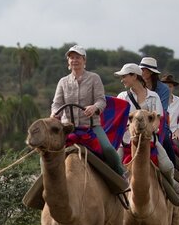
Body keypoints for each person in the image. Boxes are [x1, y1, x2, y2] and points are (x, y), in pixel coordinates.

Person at [51, 45, 125, 175]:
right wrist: (54, 113)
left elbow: (101, 100)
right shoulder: (63, 82)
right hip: (67, 128)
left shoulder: (94, 78)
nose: (74, 60)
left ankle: (121, 178)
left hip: (91, 126)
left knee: (109, 150)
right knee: (48, 152)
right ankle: (46, 184)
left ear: (84, 60)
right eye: (71, 57)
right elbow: (56, 104)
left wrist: (94, 107)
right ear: (68, 61)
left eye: (78, 57)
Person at [115, 63, 178, 190]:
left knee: (167, 166)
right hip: (127, 140)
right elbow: (118, 120)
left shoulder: (153, 96)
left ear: (134, 76)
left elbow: (157, 120)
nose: (122, 80)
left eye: (124, 76)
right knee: (114, 166)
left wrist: (149, 130)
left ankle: (172, 184)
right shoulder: (122, 96)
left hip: (149, 139)